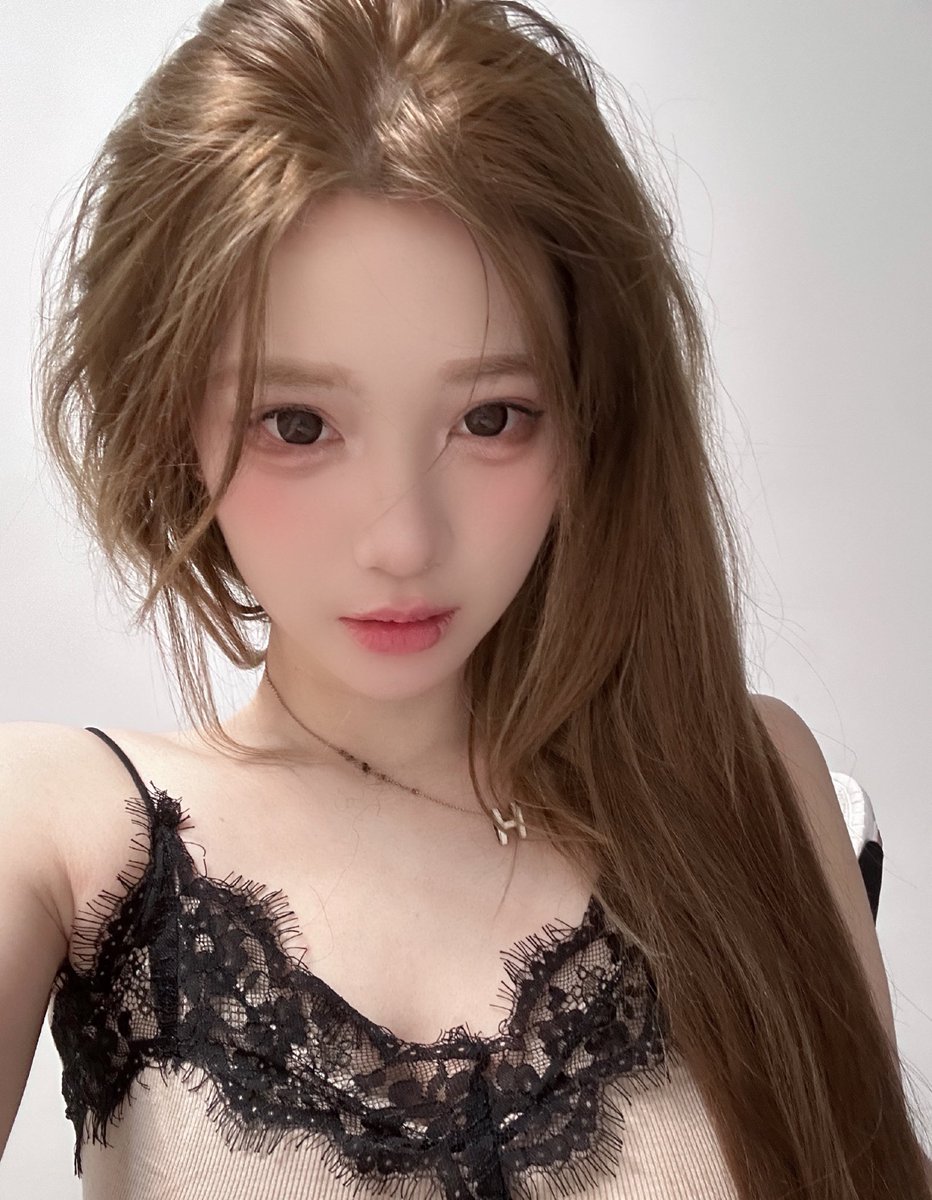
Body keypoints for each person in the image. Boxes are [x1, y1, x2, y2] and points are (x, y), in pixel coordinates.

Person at [2, 1, 930, 1197]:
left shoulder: (742, 783)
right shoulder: (63, 830)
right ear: (167, 415)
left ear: (591, 418)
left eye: (489, 418)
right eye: (298, 424)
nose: (403, 540)